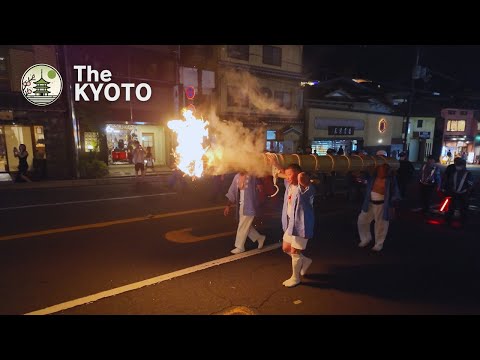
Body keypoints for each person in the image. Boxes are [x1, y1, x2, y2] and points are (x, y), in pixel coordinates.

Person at [280, 163, 315, 287]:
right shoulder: (289, 185)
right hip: (291, 223)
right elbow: (280, 172)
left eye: (290, 174)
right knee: (286, 248)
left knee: (295, 251)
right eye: (287, 174)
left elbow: (307, 187)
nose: (287, 177)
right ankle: (305, 261)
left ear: (298, 174)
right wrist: (274, 162)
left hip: (301, 224)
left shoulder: (305, 188)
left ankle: (296, 278)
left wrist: (304, 180)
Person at [358, 163, 400, 252]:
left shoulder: (390, 180)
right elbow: (362, 177)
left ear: (386, 171)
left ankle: (379, 244)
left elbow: (395, 193)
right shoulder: (372, 177)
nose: (380, 172)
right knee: (362, 221)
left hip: (382, 205)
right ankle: (365, 239)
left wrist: (392, 205)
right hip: (369, 203)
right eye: (379, 170)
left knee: (381, 225)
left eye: (382, 170)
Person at [224, 172, 266, 254]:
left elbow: (260, 188)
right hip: (241, 205)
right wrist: (228, 206)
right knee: (245, 225)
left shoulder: (252, 176)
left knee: (243, 224)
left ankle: (240, 246)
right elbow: (232, 192)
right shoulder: (236, 176)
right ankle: (259, 238)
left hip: (250, 205)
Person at [443, 157, 474, 226]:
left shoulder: (468, 174)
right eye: (457, 165)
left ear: (463, 166)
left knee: (463, 208)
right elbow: (450, 182)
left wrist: (468, 193)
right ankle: (448, 220)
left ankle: (463, 221)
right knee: (451, 207)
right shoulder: (455, 173)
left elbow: (470, 185)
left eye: (459, 165)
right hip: (454, 192)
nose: (457, 166)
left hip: (464, 193)